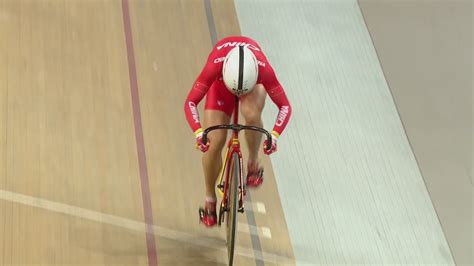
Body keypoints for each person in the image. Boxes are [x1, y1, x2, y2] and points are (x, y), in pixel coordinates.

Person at [184, 36, 292, 227]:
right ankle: (210, 200)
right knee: (213, 143)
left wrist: (274, 136)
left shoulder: (263, 71)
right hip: (221, 85)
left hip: (252, 84)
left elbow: (285, 106)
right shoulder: (214, 67)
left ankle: (252, 162)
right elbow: (190, 102)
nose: (239, 95)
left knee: (251, 114)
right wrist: (199, 132)